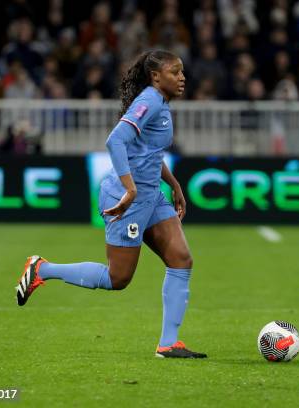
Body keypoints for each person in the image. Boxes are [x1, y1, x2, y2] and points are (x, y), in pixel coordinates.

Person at [14, 50, 207, 359]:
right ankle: (42, 269)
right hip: (126, 198)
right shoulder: (150, 101)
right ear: (156, 77)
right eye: (175, 72)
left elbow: (148, 152)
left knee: (181, 259)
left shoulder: (162, 103)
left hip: (151, 196)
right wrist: (129, 189)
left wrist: (174, 184)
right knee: (118, 279)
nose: (182, 77)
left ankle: (168, 343)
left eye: (182, 71)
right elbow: (115, 141)